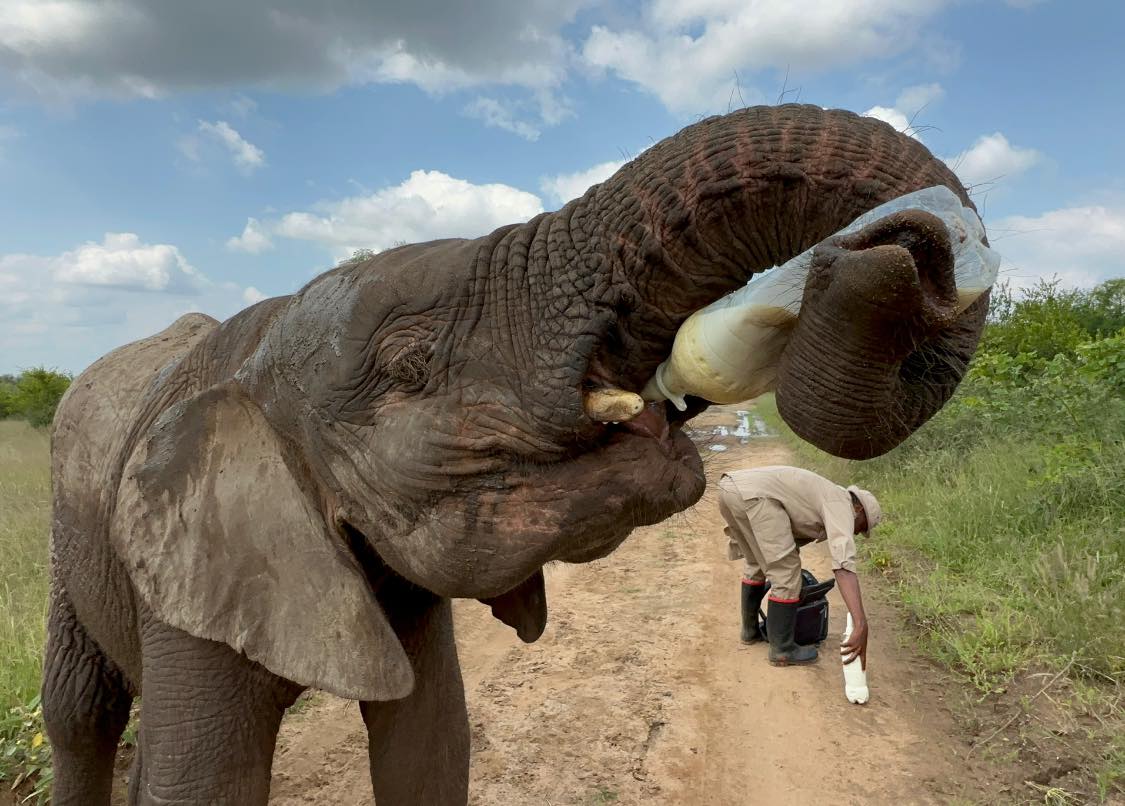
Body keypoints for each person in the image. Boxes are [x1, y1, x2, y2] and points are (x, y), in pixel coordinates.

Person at [717, 466, 882, 668]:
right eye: (862, 527)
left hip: (729, 489)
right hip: (755, 496)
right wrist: (860, 623)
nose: (857, 533)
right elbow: (844, 565)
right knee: (787, 572)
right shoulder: (841, 503)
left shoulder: (826, 495)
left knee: (756, 563)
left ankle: (750, 631)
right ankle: (783, 650)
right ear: (858, 510)